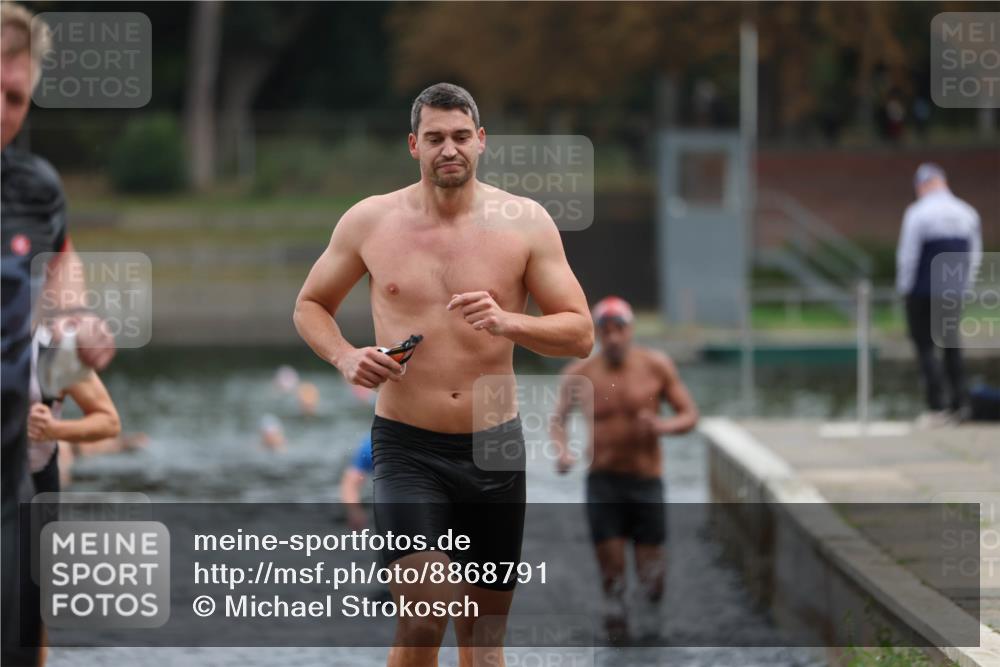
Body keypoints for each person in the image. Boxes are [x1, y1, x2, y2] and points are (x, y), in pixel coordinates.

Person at [294, 82, 593, 667]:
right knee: (424, 616)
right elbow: (309, 305)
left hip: (494, 445)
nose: (448, 148)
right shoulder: (370, 221)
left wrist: (509, 322)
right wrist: (345, 356)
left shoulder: (525, 223)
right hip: (408, 446)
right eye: (434, 138)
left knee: (482, 641)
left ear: (481, 141)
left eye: (460, 136)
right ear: (414, 145)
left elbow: (579, 332)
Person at [2, 6, 114, 665]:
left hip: (15, 460)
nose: (0, 111)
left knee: (23, 633)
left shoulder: (37, 188)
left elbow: (61, 266)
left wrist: (77, 321)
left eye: (14, 97)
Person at [551, 296, 698, 642]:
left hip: (646, 482)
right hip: (603, 484)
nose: (613, 337)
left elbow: (689, 415)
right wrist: (562, 452)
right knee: (612, 577)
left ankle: (652, 640)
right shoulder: (578, 374)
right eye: (606, 331)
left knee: (652, 580)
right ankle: (617, 643)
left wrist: (663, 427)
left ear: (630, 331)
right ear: (598, 334)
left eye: (620, 329)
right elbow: (557, 421)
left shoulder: (656, 366)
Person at [896, 163, 982, 425]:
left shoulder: (918, 213)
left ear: (921, 186)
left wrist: (905, 289)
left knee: (925, 347)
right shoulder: (967, 213)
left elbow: (908, 256)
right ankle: (960, 404)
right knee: (951, 346)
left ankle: (937, 407)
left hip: (922, 290)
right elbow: (974, 258)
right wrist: (964, 288)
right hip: (951, 292)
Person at [339, 435, 373, 530]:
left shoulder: (374, 442)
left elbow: (349, 482)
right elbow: (350, 483)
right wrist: (354, 511)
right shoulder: (371, 445)